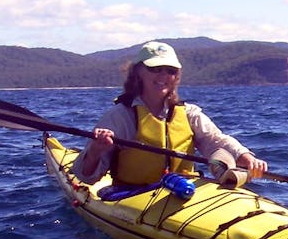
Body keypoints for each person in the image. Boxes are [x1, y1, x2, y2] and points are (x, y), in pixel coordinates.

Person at [72, 40, 267, 188]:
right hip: (133, 194)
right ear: (138, 72)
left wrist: (247, 158)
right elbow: (86, 176)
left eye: (170, 70)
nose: (164, 76)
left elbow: (217, 141)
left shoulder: (189, 113)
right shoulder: (120, 116)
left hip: (183, 191)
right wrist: (96, 150)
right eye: (155, 69)